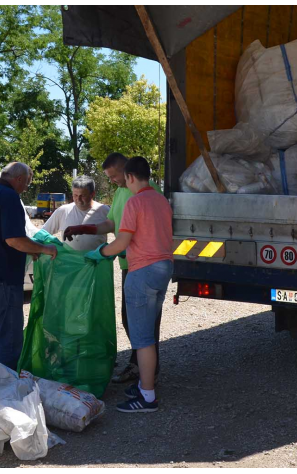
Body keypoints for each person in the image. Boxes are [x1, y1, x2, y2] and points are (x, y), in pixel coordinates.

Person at [84, 156, 172, 413]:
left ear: (131, 177)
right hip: (163, 269)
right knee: (149, 333)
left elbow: (121, 242)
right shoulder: (161, 200)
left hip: (142, 272)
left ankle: (147, 397)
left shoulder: (135, 202)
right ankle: (146, 383)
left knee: (142, 338)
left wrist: (100, 252)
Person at [64, 153, 161, 384]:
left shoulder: (143, 193)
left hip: (142, 264)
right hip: (131, 264)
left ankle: (147, 377)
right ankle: (142, 367)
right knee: (132, 319)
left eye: (114, 176)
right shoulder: (122, 193)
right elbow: (112, 224)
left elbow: (133, 234)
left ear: (127, 172)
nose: (113, 181)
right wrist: (84, 228)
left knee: (142, 321)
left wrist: (101, 253)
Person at [0, 162, 57, 370]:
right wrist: (44, 248)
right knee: (9, 337)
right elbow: (13, 239)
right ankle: (5, 390)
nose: (26, 188)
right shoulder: (9, 197)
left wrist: (30, 248)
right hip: (0, 277)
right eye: (26, 183)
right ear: (18, 179)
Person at [42, 175, 108, 252]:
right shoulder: (63, 211)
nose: (78, 199)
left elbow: (120, 234)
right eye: (75, 195)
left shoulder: (104, 211)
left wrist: (112, 251)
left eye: (82, 195)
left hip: (96, 262)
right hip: (69, 262)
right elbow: (43, 233)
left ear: (92, 194)